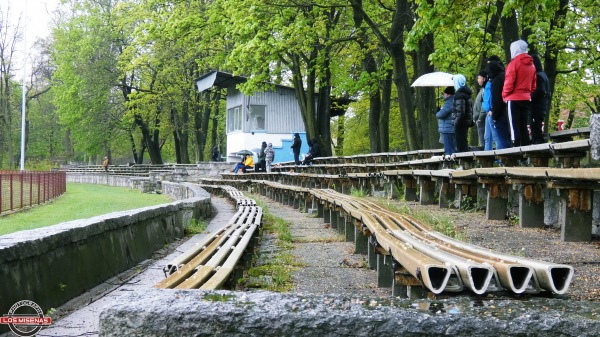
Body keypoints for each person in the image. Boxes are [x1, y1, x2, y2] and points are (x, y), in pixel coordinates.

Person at [502, 39, 536, 147]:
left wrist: (505, 95)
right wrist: (527, 93)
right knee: (523, 125)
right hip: (526, 98)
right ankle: (525, 148)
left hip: (513, 98)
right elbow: (533, 85)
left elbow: (509, 82)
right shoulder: (532, 65)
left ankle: (515, 148)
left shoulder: (514, 64)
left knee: (513, 125)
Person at [485, 56, 512, 150]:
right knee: (506, 137)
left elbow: (496, 98)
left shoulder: (496, 81)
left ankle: (505, 160)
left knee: (500, 138)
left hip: (499, 112)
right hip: (507, 110)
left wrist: (494, 115)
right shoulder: (504, 76)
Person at [530, 53, 550, 144]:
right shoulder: (544, 75)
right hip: (542, 106)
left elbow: (539, 91)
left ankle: (537, 144)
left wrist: (530, 98)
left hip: (537, 107)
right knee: (536, 127)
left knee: (535, 128)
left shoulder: (538, 76)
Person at [452, 74, 474, 153]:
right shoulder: (467, 94)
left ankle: (464, 162)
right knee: (463, 141)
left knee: (460, 145)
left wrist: (456, 122)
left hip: (460, 123)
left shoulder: (459, 95)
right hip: (466, 122)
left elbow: (460, 112)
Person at [436, 86, 456, 156]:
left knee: (449, 152)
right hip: (451, 127)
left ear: (448, 94)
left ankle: (450, 165)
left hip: (448, 129)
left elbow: (441, 114)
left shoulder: (449, 102)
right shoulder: (454, 100)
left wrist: (438, 112)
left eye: (444, 94)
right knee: (453, 149)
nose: (444, 96)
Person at [472, 70, 488, 148]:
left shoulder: (485, 90)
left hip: (482, 118)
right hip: (479, 118)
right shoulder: (482, 89)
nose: (478, 80)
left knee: (484, 139)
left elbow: (484, 105)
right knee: (482, 138)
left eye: (479, 78)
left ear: (484, 79)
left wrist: (480, 118)